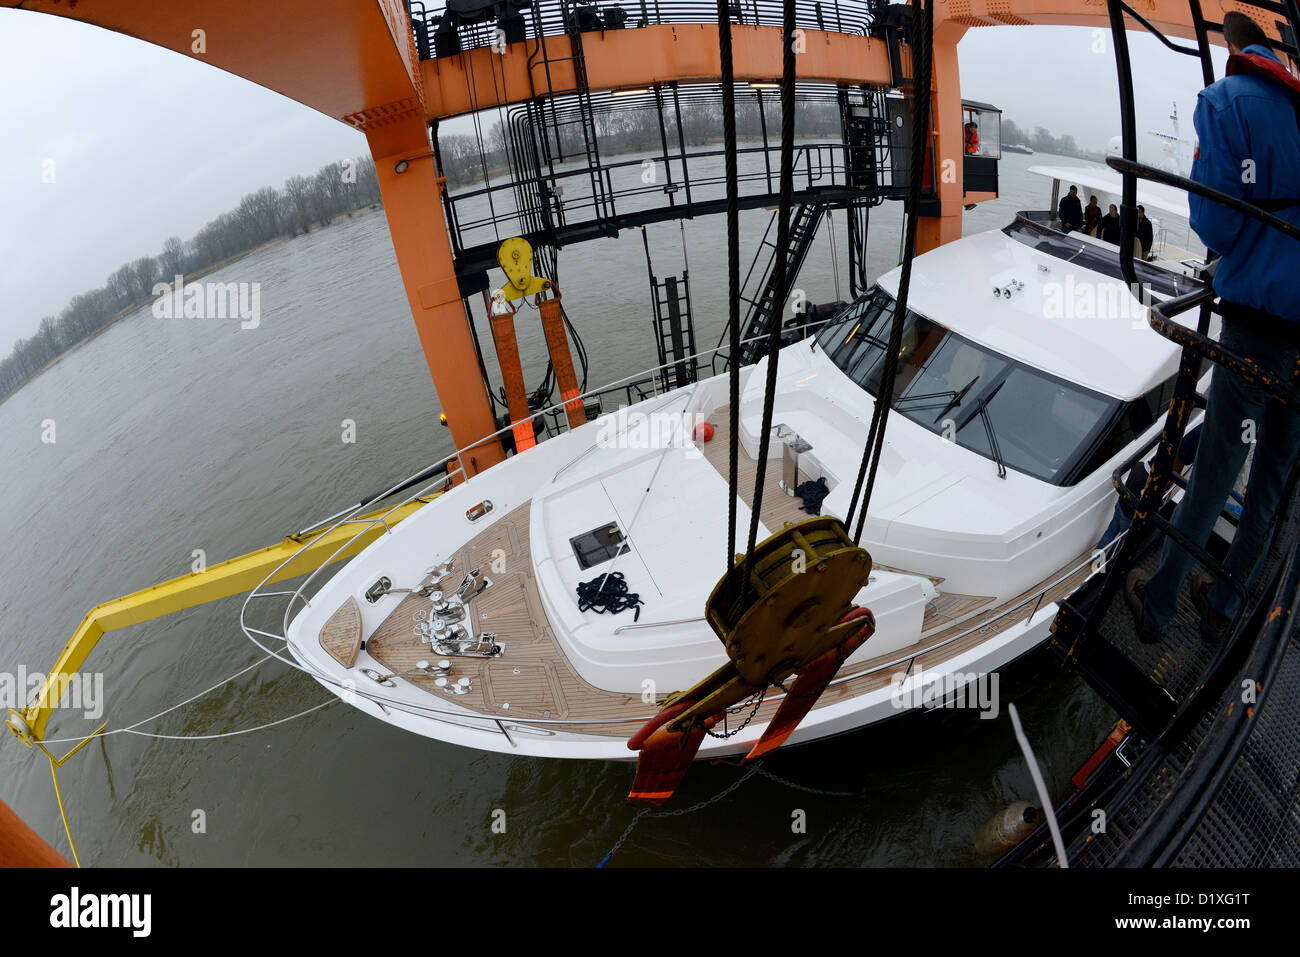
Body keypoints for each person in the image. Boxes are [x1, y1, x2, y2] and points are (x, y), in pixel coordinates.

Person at [1127, 11, 1300, 644]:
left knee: (1218, 466)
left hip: (1258, 321)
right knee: (1274, 479)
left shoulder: (1225, 103)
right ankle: (1224, 605)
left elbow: (1218, 226)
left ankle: (1161, 603)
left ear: (1232, 48)